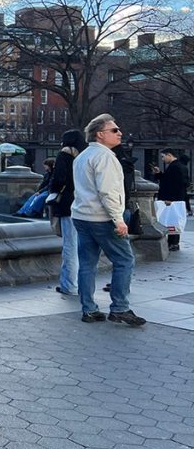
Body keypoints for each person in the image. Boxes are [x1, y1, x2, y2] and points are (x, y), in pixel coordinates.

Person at [71, 114, 145, 327]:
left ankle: (89, 310)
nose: (120, 133)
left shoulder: (82, 156)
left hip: (82, 216)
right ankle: (120, 308)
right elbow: (108, 192)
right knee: (124, 260)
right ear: (100, 134)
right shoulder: (106, 157)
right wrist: (118, 220)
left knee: (87, 264)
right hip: (102, 219)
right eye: (115, 130)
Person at [48, 130, 86, 295]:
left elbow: (59, 179)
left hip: (68, 204)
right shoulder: (87, 155)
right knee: (84, 248)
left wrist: (53, 190)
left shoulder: (65, 154)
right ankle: (83, 284)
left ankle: (69, 285)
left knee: (69, 246)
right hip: (86, 204)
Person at [152, 148, 188, 251]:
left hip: (172, 198)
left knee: (172, 220)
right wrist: (159, 174)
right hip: (176, 198)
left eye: (163, 156)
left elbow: (177, 184)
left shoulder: (175, 167)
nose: (163, 159)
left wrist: (171, 199)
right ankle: (174, 242)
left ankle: (173, 243)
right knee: (174, 220)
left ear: (169, 155)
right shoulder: (179, 166)